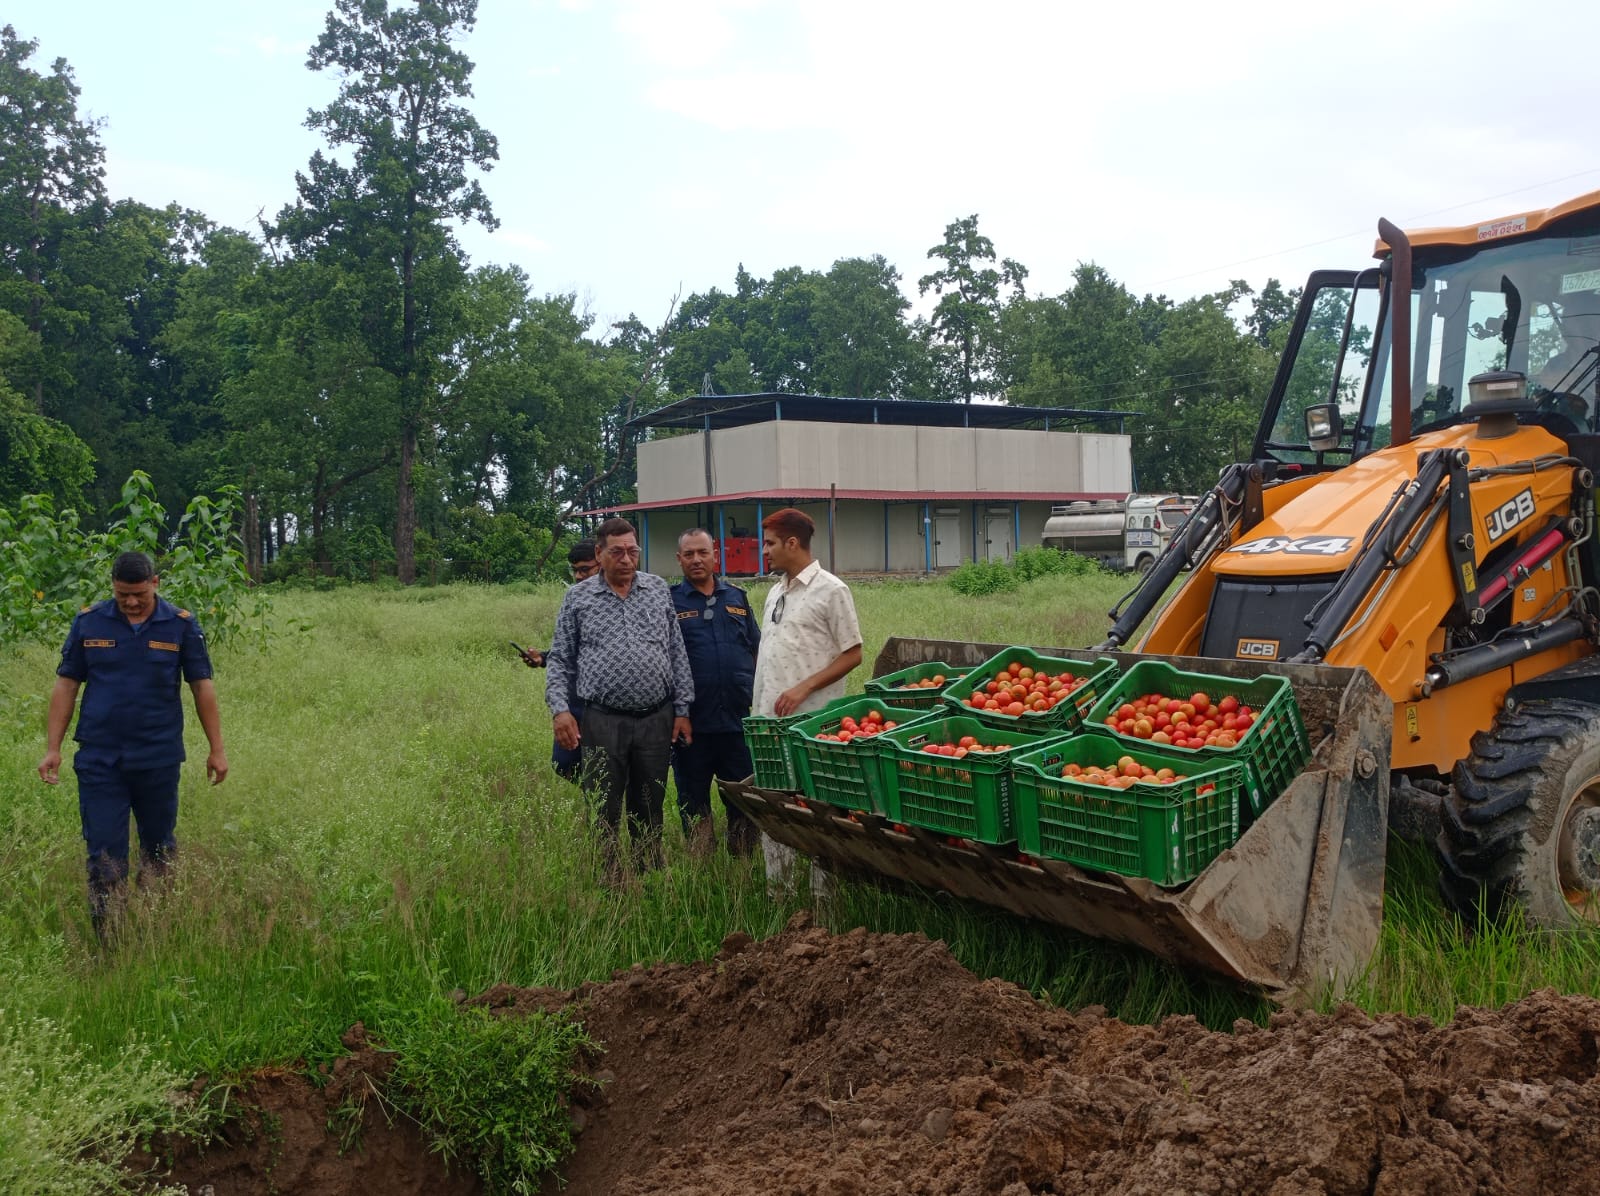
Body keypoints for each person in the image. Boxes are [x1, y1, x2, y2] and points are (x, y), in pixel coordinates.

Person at [37, 551, 228, 940]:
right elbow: (67, 685)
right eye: (123, 594)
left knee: (159, 850)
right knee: (105, 856)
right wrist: (52, 747)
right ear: (113, 586)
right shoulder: (89, 622)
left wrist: (217, 748)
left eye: (139, 593)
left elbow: (201, 687)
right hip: (100, 759)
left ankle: (155, 930)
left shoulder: (181, 627)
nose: (132, 601)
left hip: (157, 757)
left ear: (155, 583)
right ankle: (112, 941)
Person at [545, 517, 694, 878]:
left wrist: (682, 708)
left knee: (650, 801)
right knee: (604, 803)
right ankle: (611, 879)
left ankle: (649, 871)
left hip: (656, 718)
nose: (626, 559)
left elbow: (676, 650)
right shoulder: (578, 598)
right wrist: (560, 710)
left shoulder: (658, 589)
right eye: (617, 552)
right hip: (601, 719)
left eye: (632, 551)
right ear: (600, 553)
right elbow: (561, 658)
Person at [749, 508, 863, 897]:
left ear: (792, 543)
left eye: (770, 543)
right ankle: (777, 892)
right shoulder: (776, 590)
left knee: (819, 807)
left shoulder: (832, 590)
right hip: (769, 720)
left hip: (813, 723)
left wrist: (803, 688)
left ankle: (823, 897)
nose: (764, 551)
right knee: (775, 805)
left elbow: (853, 653)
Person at [670, 528, 760, 856]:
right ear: (679, 559)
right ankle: (702, 870)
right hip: (691, 725)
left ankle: (743, 867)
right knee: (693, 801)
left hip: (737, 723)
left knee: (744, 799)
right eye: (689, 554)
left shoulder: (736, 597)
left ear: (715, 555)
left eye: (703, 552)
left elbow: (756, 649)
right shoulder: (669, 601)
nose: (696, 560)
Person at [519, 540, 598, 779]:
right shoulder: (573, 601)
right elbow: (568, 651)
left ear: (602, 562)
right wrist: (542, 658)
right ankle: (599, 800)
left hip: (602, 706)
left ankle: (604, 805)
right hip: (574, 700)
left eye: (585, 569)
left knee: (603, 767)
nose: (578, 576)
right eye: (574, 570)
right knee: (564, 764)